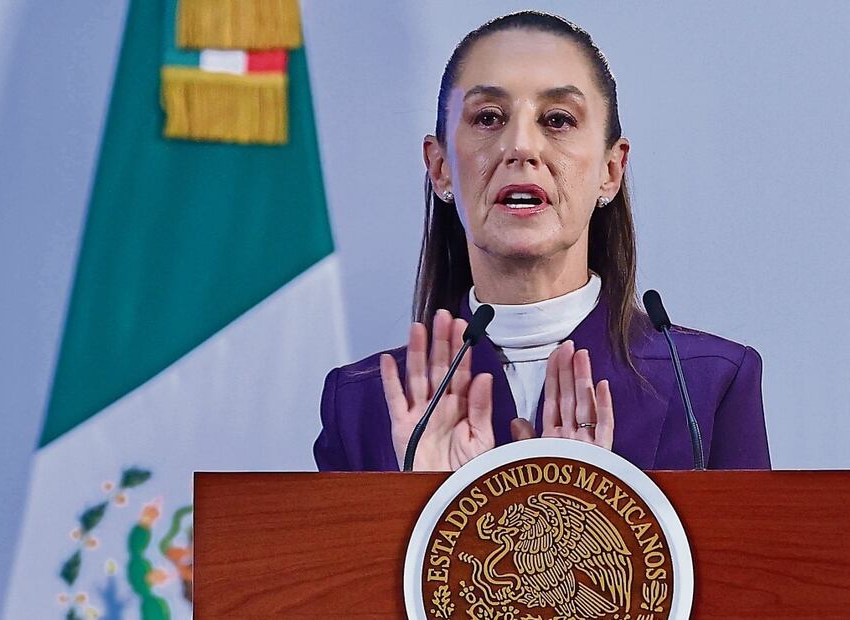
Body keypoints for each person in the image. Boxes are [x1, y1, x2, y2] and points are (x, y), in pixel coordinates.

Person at [314, 11, 770, 472]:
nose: (522, 147)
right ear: (440, 167)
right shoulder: (360, 405)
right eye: (489, 117)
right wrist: (430, 501)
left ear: (610, 171)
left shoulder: (707, 386)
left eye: (557, 119)